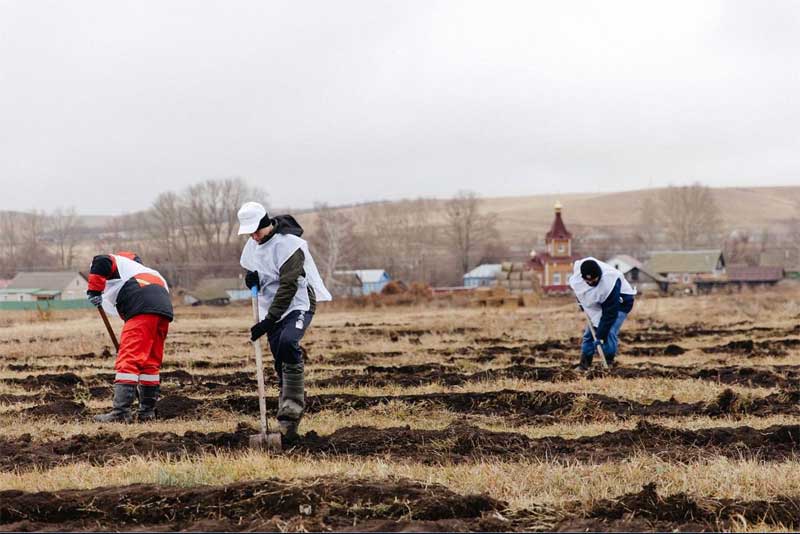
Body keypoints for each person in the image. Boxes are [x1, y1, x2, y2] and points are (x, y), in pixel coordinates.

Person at [238, 201, 332, 440]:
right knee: (280, 353)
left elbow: (288, 287)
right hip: (271, 308)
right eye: (250, 232)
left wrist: (268, 321)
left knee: (289, 341)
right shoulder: (252, 245)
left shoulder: (289, 245)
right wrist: (251, 280)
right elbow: (257, 273)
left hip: (297, 304)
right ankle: (287, 420)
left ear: (266, 223)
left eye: (256, 231)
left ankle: (291, 410)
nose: (254, 236)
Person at [87, 251, 173, 422]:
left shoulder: (118, 263)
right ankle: (147, 412)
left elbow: (101, 260)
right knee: (150, 362)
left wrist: (94, 291)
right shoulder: (149, 273)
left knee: (129, 360)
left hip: (142, 305)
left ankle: (121, 413)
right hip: (163, 308)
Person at [568, 257, 636, 371]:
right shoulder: (578, 277)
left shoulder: (610, 282)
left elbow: (610, 314)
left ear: (599, 276)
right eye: (587, 281)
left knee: (608, 332)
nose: (590, 283)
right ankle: (584, 364)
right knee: (589, 334)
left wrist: (601, 336)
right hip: (599, 302)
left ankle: (608, 364)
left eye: (594, 281)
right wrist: (582, 303)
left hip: (620, 302)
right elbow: (579, 293)